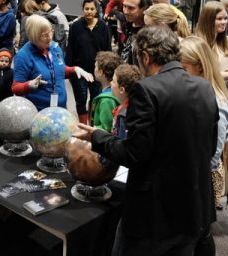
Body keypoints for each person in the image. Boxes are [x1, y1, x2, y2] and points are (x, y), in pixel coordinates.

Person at [74, 25, 218, 255]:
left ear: (145, 56)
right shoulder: (204, 86)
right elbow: (209, 148)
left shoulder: (146, 90)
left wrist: (97, 137)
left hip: (153, 217)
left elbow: (134, 154)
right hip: (194, 209)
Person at [180, 36, 228, 210]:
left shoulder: (216, 101)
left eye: (183, 68)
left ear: (199, 66)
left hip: (200, 176)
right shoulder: (191, 90)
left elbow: (214, 152)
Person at [12, 14, 93, 111]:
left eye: (51, 32)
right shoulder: (23, 56)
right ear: (34, 36)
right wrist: (29, 85)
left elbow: (58, 71)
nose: (50, 37)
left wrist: (74, 69)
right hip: (39, 112)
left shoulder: (54, 47)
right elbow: (16, 88)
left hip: (61, 108)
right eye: (45, 35)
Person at [65, 0, 112, 124]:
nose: (89, 12)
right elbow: (71, 47)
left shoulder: (103, 26)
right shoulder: (75, 26)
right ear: (82, 9)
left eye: (92, 9)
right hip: (79, 71)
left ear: (96, 10)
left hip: (98, 71)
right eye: (86, 9)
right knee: (81, 99)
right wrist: (69, 69)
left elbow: (107, 49)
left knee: (95, 99)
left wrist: (107, 69)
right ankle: (83, 126)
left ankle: (92, 126)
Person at [196, 1, 228, 80]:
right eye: (219, 19)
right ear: (208, 20)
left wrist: (225, 74)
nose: (224, 22)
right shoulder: (196, 43)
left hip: (224, 89)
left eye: (225, 18)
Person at [90, 51, 122, 132]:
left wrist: (92, 130)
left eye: (95, 67)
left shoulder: (106, 100)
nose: (94, 69)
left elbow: (106, 128)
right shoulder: (112, 91)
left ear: (101, 72)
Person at [109, 64, 142, 139]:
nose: (110, 83)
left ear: (121, 90)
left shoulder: (124, 116)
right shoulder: (125, 106)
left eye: (113, 81)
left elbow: (122, 143)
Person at [120, 0, 151, 65]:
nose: (126, 11)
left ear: (144, 8)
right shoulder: (126, 25)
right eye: (124, 6)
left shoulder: (150, 33)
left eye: (131, 8)